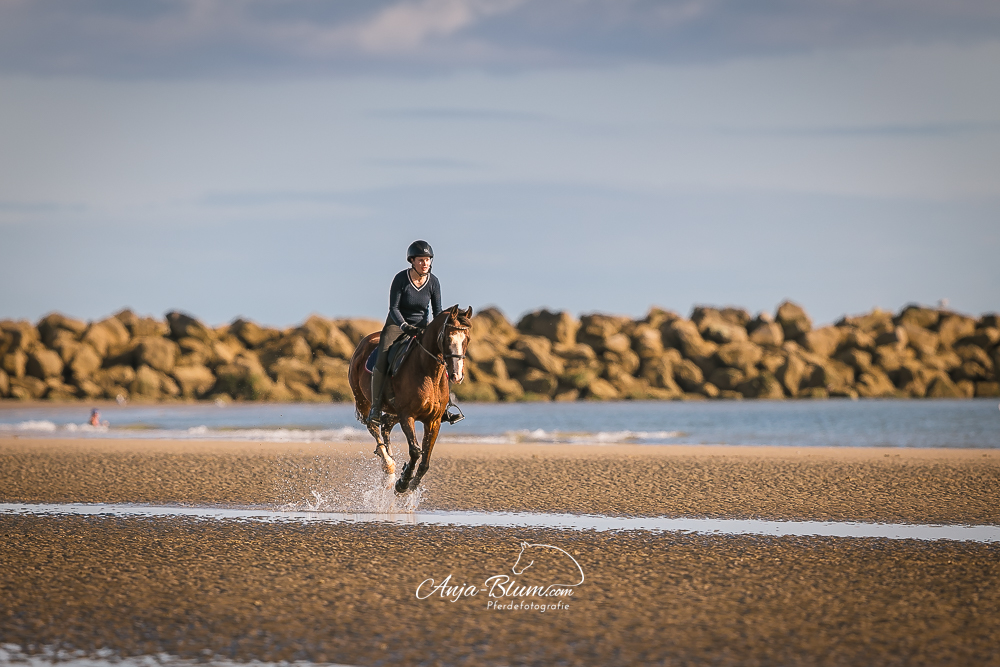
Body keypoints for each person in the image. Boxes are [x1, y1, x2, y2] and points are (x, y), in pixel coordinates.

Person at [368, 240, 462, 427]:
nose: (425, 263)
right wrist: (404, 326)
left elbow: (437, 311)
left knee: (440, 357)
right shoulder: (401, 279)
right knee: (383, 356)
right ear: (412, 261)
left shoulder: (433, 282)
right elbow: (393, 308)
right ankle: (376, 408)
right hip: (396, 325)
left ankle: (445, 406)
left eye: (428, 260)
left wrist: (438, 331)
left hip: (422, 326)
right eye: (421, 260)